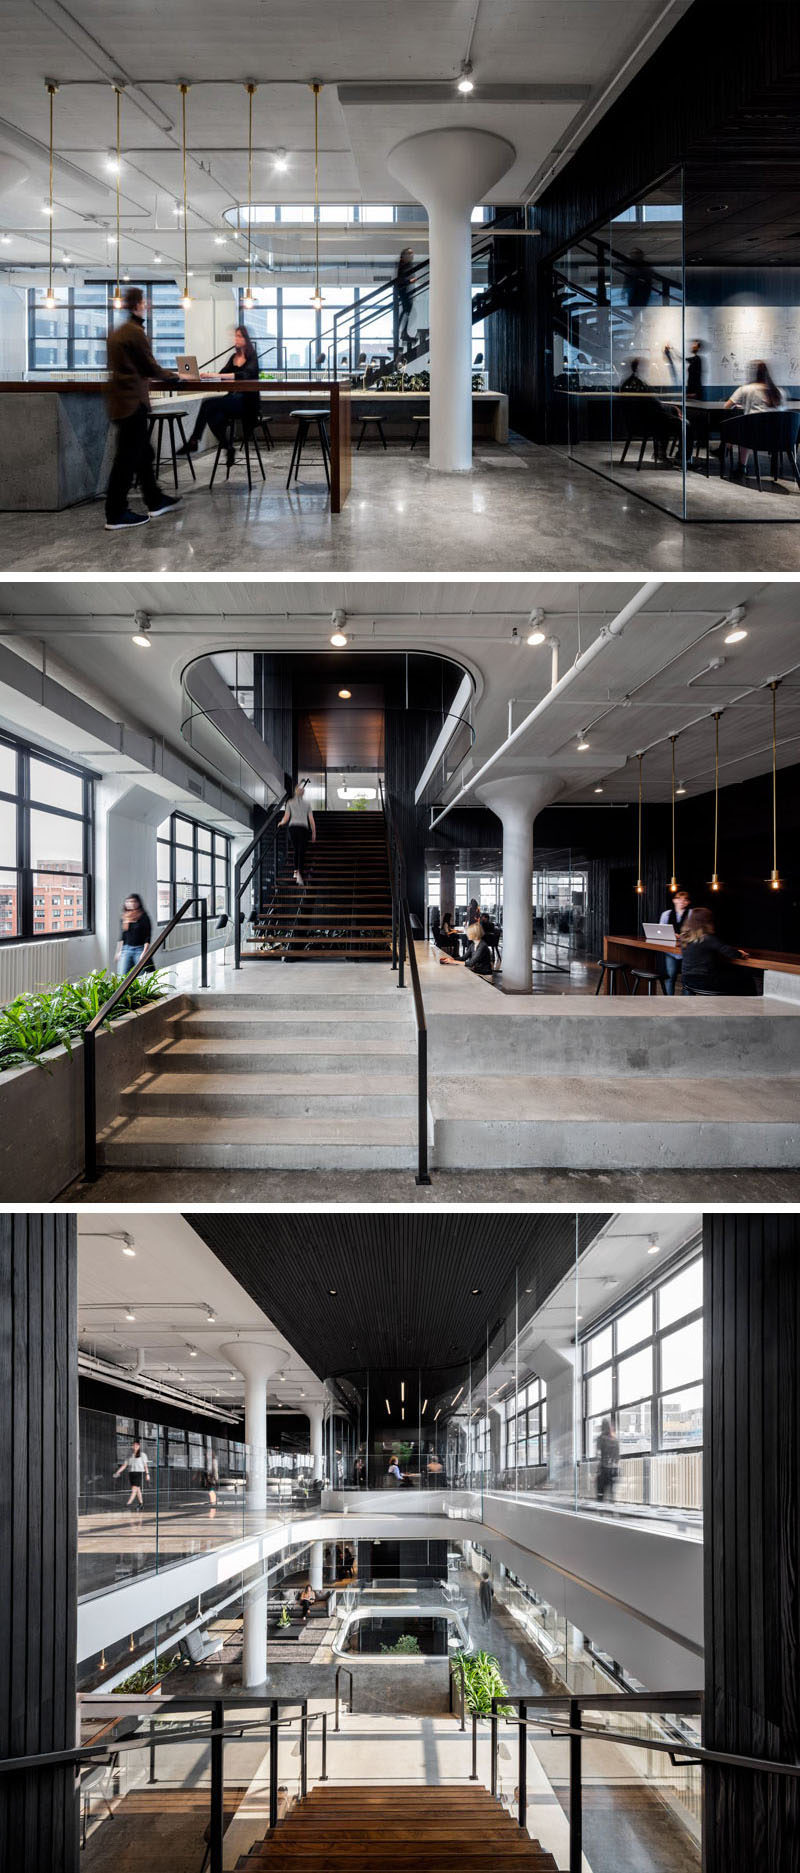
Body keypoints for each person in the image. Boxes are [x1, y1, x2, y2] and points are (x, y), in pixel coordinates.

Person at [104, 285, 182, 530]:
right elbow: (150, 367)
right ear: (138, 304)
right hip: (131, 402)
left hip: (121, 401)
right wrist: (177, 377)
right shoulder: (134, 332)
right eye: (145, 301)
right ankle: (116, 513)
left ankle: (155, 499)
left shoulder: (118, 331)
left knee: (143, 453)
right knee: (127, 459)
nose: (147, 305)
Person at [178, 325, 260, 467]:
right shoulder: (233, 358)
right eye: (236, 336)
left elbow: (244, 375)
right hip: (232, 400)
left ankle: (194, 441)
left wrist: (216, 375)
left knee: (208, 406)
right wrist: (204, 376)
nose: (236, 339)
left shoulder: (252, 358)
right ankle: (227, 447)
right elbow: (222, 375)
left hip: (247, 403)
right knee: (212, 415)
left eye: (240, 336)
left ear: (246, 339)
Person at [679, 907, 749, 996]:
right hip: (704, 981)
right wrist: (741, 954)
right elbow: (729, 952)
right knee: (745, 980)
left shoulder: (684, 937)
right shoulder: (707, 939)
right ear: (706, 922)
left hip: (686, 980)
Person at [279, 782, 316, 887]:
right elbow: (311, 820)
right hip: (303, 828)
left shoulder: (290, 802)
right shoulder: (307, 804)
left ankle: (296, 871)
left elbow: (286, 818)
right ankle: (299, 873)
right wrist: (314, 833)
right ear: (303, 793)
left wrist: (281, 823)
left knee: (296, 850)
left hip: (293, 828)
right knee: (301, 851)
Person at [659, 887, 692, 995]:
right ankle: (670, 1001)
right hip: (671, 950)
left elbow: (697, 932)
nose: (682, 901)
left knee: (687, 978)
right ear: (674, 900)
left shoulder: (692, 914)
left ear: (688, 902)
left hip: (688, 951)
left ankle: (687, 1003)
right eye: (679, 898)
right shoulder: (666, 914)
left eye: (685, 899)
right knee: (670, 976)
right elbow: (660, 931)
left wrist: (682, 936)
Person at [115, 894, 152, 976]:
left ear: (138, 903)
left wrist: (144, 952)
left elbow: (147, 936)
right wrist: (118, 952)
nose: (130, 903)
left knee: (141, 977)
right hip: (126, 950)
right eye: (128, 901)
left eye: (133, 901)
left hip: (139, 949)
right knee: (121, 976)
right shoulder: (124, 917)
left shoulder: (143, 917)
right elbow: (122, 936)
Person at [114, 1439, 150, 1512]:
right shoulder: (130, 1455)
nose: (135, 1446)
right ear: (132, 1446)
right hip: (131, 1473)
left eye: (136, 1445)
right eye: (134, 1445)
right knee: (138, 1490)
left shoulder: (143, 1455)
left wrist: (147, 1474)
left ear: (139, 1446)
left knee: (134, 1489)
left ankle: (128, 1503)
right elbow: (124, 1465)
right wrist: (118, 1472)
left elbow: (145, 1466)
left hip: (138, 1473)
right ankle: (141, 1504)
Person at [394, 247, 415, 354]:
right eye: (409, 254)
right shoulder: (403, 265)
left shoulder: (405, 265)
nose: (411, 256)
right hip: (402, 289)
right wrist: (409, 281)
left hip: (404, 290)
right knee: (407, 309)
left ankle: (402, 331)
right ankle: (401, 331)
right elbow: (401, 279)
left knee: (407, 309)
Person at [595, 1418, 619, 1501]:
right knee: (612, 1493)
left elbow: (598, 1455)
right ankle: (612, 1510)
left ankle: (600, 1512)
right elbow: (617, 1457)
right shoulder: (615, 1440)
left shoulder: (600, 1438)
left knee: (600, 1493)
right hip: (614, 1469)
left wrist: (598, 1470)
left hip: (604, 1468)